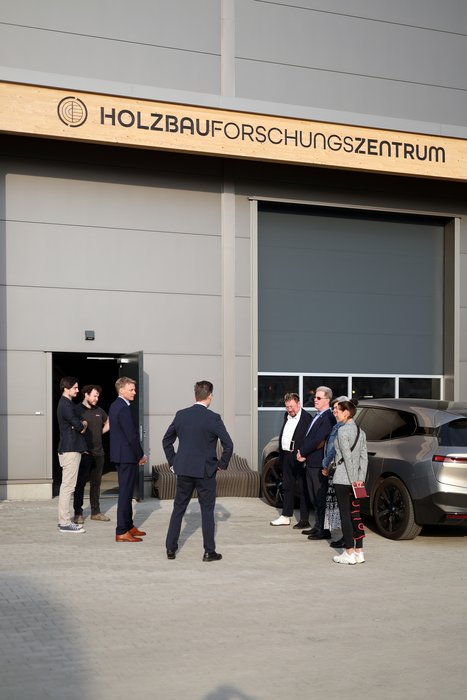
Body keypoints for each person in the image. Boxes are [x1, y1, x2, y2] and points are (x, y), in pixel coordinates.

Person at [163, 380, 233, 561]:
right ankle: (209, 552)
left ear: (195, 395)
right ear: (209, 396)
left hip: (184, 470)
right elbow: (228, 444)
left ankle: (170, 549)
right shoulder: (213, 418)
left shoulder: (181, 415)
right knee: (207, 511)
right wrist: (221, 464)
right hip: (205, 472)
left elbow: (166, 441)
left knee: (178, 508)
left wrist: (173, 462)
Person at [109, 377, 148, 542]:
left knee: (127, 492)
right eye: (131, 389)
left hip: (121, 455)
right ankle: (121, 531)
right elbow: (131, 435)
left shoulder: (115, 405)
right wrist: (141, 454)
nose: (134, 392)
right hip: (126, 456)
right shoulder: (122, 408)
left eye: (134, 389)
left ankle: (128, 525)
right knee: (125, 494)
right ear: (121, 390)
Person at [296, 386, 336, 540]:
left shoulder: (328, 417)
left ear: (327, 400)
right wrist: (302, 452)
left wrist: (303, 452)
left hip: (319, 463)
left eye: (319, 398)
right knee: (313, 496)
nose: (315, 400)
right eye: (315, 397)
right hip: (311, 462)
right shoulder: (317, 416)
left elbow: (318, 439)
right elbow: (308, 437)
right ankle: (318, 526)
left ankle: (324, 530)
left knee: (320, 498)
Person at [332, 398, 368, 565]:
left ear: (346, 413)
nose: (335, 413)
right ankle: (359, 551)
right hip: (357, 481)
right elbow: (364, 459)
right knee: (355, 515)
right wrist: (360, 480)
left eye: (337, 411)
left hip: (343, 479)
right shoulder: (361, 432)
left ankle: (348, 552)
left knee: (345, 516)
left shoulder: (342, 431)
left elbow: (347, 457)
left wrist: (353, 480)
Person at [269, 392, 312, 528]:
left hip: (299, 456)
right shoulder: (286, 415)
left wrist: (304, 455)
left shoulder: (307, 418)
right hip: (286, 455)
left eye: (292, 406)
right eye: (287, 407)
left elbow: (309, 440)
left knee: (303, 488)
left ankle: (304, 519)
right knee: (287, 486)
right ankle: (285, 516)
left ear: (298, 404)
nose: (289, 409)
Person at [73, 385, 110, 524]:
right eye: (94, 396)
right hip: (84, 452)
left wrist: (100, 432)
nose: (96, 399)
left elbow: (109, 421)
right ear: (86, 395)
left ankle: (96, 512)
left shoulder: (99, 411)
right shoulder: (77, 410)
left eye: (98, 396)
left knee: (96, 483)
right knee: (80, 483)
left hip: (99, 453)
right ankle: (78, 513)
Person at [56, 377, 88, 533]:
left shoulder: (67, 404)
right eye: (75, 388)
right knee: (68, 487)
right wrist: (82, 424)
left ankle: (64, 521)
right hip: (70, 450)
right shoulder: (66, 405)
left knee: (67, 486)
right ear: (66, 389)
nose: (77, 390)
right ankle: (64, 523)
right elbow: (79, 425)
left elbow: (79, 424)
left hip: (70, 449)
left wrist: (81, 424)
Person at [322, 397, 348, 545]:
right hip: (335, 469)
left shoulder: (343, 428)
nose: (334, 411)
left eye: (337, 408)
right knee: (339, 506)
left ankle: (347, 538)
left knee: (343, 507)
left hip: (339, 470)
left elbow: (334, 450)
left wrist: (326, 465)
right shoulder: (337, 426)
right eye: (333, 408)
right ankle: (345, 537)